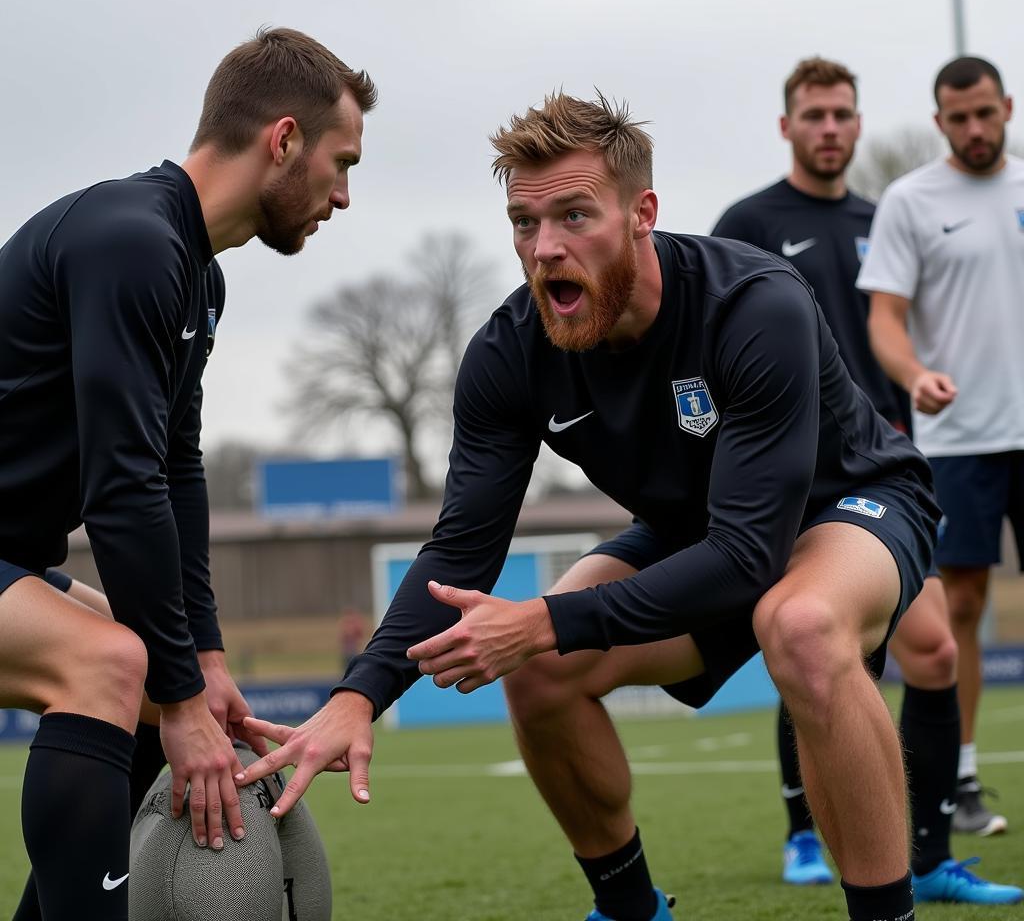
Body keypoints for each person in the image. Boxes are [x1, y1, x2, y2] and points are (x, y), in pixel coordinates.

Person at [241, 92, 943, 921]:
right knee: (538, 670)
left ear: (642, 213)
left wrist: (543, 618)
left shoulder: (753, 304)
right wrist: (358, 695)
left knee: (799, 626)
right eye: (525, 223)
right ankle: (631, 908)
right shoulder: (508, 354)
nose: (545, 249)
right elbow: (460, 548)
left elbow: (753, 556)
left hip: (844, 506)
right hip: (698, 533)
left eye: (575, 215)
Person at [0, 26, 375, 921]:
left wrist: (203, 662)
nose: (346, 196)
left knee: (139, 666)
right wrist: (174, 690)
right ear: (282, 141)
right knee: (112, 659)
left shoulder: (195, 278)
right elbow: (120, 490)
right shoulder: (130, 241)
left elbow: (174, 475)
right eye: (341, 162)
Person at [712, 57, 1020, 905]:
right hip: (793, 473)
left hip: (882, 463)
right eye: (813, 115)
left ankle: (925, 854)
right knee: (815, 639)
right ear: (788, 127)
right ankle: (805, 833)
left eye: (843, 114)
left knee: (927, 647)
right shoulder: (748, 220)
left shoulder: (882, 217)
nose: (830, 129)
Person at [858, 55, 1024, 840]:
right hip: (957, 438)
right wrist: (914, 374)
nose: (975, 129)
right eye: (959, 118)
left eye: (986, 113)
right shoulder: (910, 200)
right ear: (940, 122)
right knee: (957, 604)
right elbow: (885, 317)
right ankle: (960, 782)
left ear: (1007, 107)